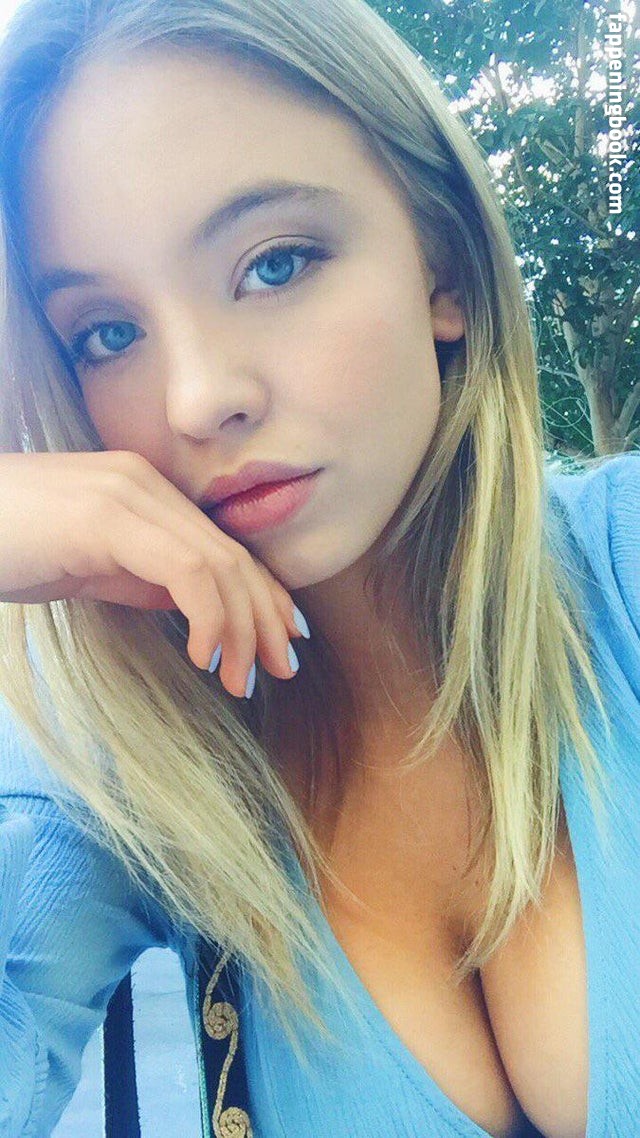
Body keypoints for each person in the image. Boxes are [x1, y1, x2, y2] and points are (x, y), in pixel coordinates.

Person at [0, 0, 638, 1135]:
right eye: (108, 333)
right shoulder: (128, 765)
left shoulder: (621, 568)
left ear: (441, 264)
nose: (199, 398)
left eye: (275, 263)